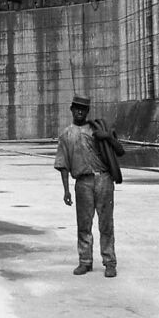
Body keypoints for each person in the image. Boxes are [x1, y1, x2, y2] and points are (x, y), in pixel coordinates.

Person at [54, 95, 124, 278]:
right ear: (71, 109)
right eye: (76, 108)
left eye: (83, 109)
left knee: (106, 223)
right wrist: (66, 190)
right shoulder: (66, 135)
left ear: (87, 111)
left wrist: (108, 136)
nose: (79, 111)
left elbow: (120, 150)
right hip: (82, 182)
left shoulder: (97, 128)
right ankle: (85, 261)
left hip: (103, 179)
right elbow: (63, 164)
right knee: (84, 224)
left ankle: (109, 262)